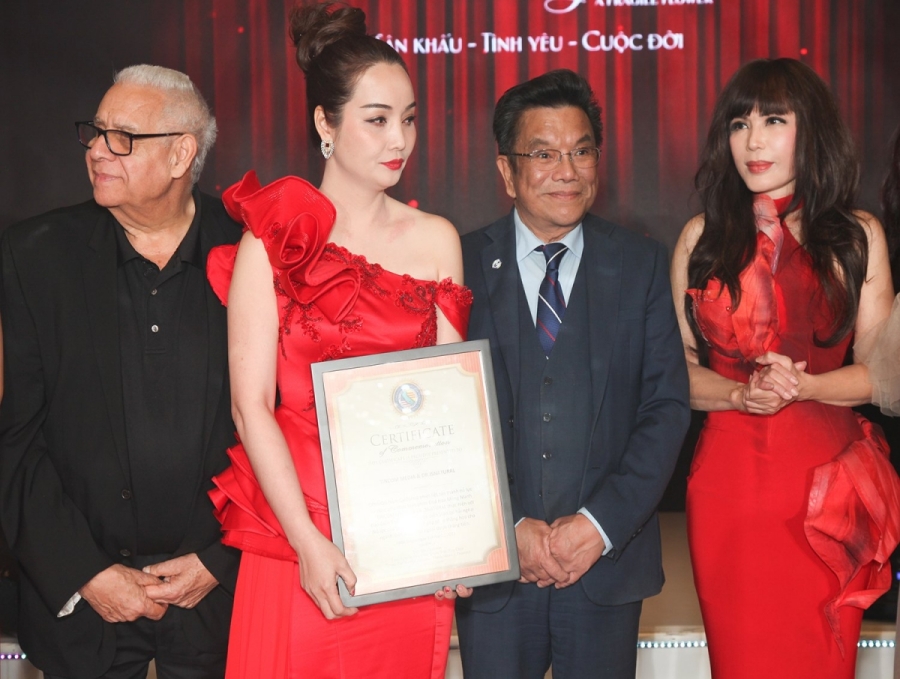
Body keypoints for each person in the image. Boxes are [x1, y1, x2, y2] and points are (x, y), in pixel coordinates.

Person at [204, 3, 472, 677]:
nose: (399, 139)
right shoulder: (271, 241)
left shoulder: (436, 240)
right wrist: (307, 542)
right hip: (299, 532)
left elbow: (450, 408)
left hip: (406, 537)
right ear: (325, 123)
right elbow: (250, 406)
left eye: (409, 118)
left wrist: (459, 538)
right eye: (376, 119)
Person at [0, 65, 241, 678]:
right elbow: (15, 441)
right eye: (96, 132)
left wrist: (221, 560)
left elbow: (290, 424)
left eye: (123, 138)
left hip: (223, 604)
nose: (97, 151)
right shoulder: (34, 257)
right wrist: (86, 572)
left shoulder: (254, 252)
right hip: (85, 612)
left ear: (181, 153)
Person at [455, 68, 691, 679]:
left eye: (581, 151)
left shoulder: (640, 263)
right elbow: (447, 420)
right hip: (496, 569)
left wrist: (598, 526)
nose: (567, 170)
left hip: (605, 564)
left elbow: (665, 408)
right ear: (506, 170)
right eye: (543, 154)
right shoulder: (459, 263)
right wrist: (508, 528)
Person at [672, 58, 899, 678]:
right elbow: (677, 372)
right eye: (739, 124)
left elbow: (882, 375)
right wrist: (739, 395)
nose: (754, 141)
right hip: (728, 490)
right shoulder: (701, 238)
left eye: (774, 121)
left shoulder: (857, 236)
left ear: (812, 129)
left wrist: (807, 385)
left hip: (826, 489)